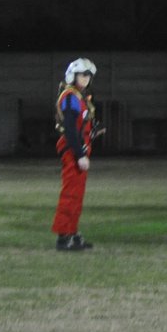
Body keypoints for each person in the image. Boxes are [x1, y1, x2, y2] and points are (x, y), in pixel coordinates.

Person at [53, 57, 101, 251]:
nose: (86, 78)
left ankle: (72, 232)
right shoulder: (70, 96)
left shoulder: (80, 96)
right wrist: (80, 154)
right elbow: (70, 129)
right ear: (73, 75)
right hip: (73, 151)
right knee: (70, 194)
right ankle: (63, 236)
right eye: (83, 74)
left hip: (79, 149)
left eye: (89, 75)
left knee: (77, 195)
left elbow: (80, 127)